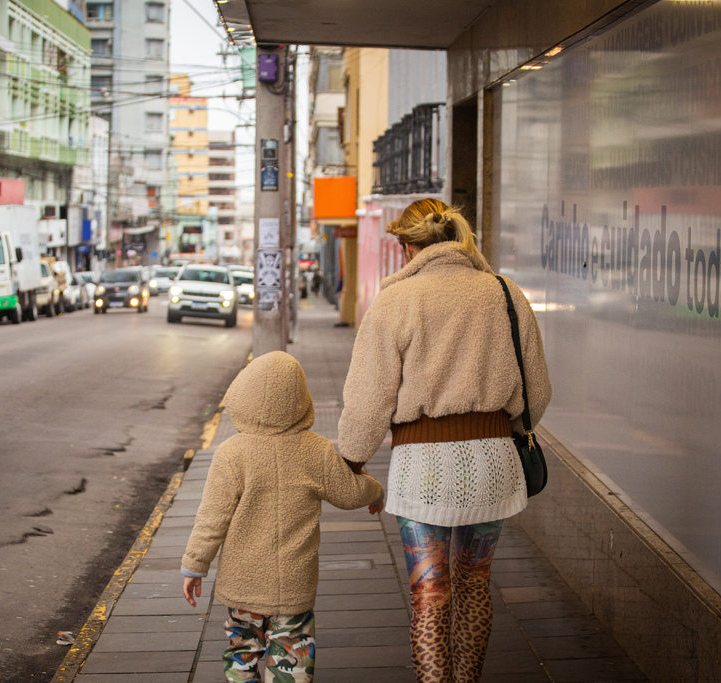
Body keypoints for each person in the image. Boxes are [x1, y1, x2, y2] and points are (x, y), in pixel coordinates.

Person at [337, 198, 551, 682]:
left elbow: (369, 399)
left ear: (408, 246)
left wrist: (352, 460)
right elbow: (537, 390)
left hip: (421, 467)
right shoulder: (504, 292)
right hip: (493, 464)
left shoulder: (395, 302)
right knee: (475, 584)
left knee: (430, 592)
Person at [181, 351, 384, 683]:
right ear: (301, 400)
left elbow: (211, 518)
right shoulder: (315, 449)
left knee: (241, 655)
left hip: (242, 582)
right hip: (294, 582)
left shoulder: (231, 454)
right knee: (293, 657)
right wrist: (374, 490)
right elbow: (348, 491)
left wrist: (195, 565)